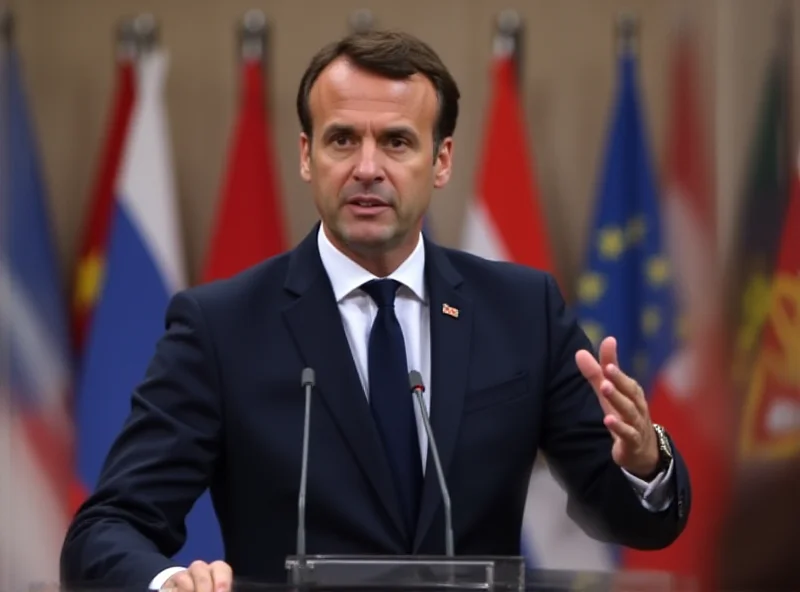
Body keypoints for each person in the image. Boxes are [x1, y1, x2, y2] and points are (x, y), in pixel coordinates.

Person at [60, 29, 691, 591]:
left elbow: (633, 518)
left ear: (440, 160)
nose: (368, 168)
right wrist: (170, 582)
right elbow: (105, 530)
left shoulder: (523, 311)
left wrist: (644, 464)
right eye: (342, 140)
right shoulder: (221, 328)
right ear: (306, 156)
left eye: (396, 141)